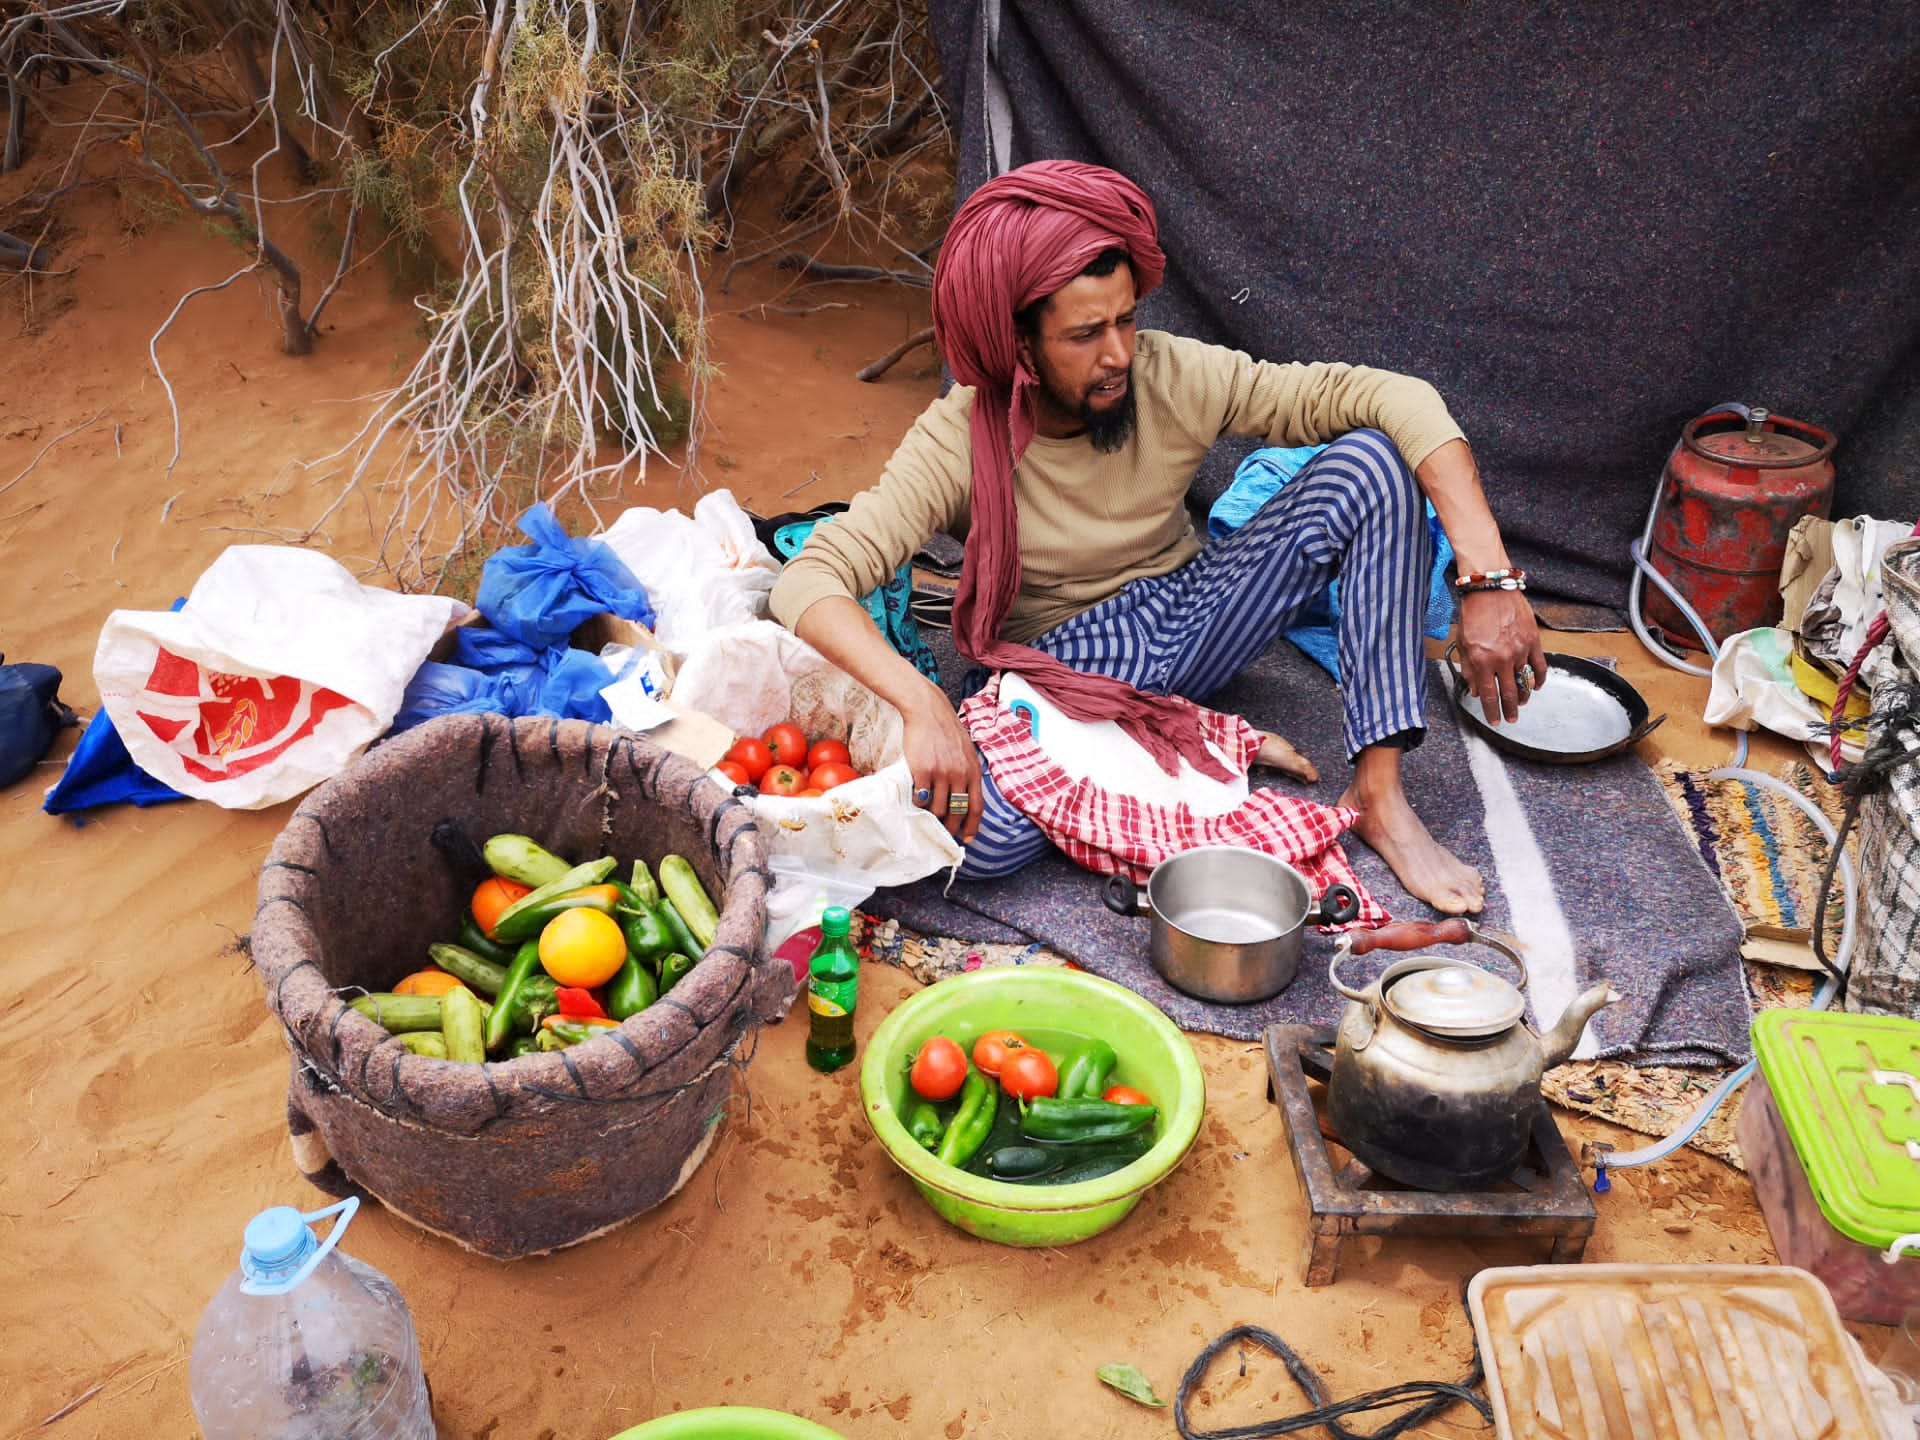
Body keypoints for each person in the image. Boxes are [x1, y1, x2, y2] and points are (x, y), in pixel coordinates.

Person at [767, 160, 1545, 915]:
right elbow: (808, 579)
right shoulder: (959, 437)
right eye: (1084, 334)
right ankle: (1181, 742)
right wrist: (923, 702)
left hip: (1197, 615)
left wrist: (1488, 576)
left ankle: (1378, 794)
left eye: (1127, 320)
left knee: (1371, 464)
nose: (1118, 355)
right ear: (1021, 343)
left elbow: (1390, 395)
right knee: (968, 836)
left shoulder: (1171, 374)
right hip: (1065, 668)